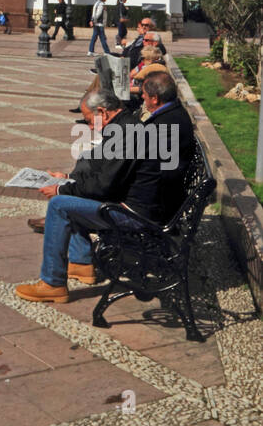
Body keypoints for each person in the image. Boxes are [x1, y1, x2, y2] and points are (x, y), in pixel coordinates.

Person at [15, 73, 195, 304]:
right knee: (71, 197)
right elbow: (105, 173)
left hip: (137, 215)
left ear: (102, 112)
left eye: (90, 120)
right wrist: (68, 178)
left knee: (60, 206)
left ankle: (52, 283)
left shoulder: (126, 133)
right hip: (140, 205)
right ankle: (81, 264)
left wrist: (61, 190)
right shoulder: (126, 125)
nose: (90, 126)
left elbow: (103, 186)